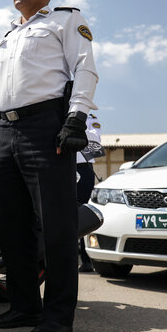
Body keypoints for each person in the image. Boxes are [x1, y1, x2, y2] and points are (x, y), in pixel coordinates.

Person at [0, 0, 98, 332]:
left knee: (57, 229)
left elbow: (85, 69)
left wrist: (75, 118)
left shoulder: (65, 21)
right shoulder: (9, 35)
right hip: (8, 133)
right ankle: (24, 306)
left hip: (47, 128)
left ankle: (58, 317)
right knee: (13, 229)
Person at [77, 113, 102, 272]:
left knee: (83, 213)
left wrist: (74, 126)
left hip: (84, 167)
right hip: (63, 166)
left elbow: (96, 140)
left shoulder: (90, 118)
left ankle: (86, 260)